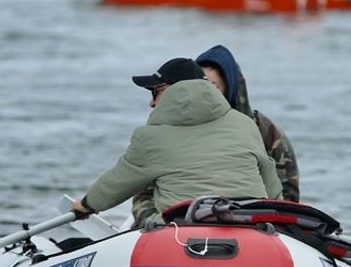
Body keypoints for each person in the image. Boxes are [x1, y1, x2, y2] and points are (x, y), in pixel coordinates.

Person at [70, 57, 283, 226]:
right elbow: (271, 185)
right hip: (250, 225)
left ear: (173, 91)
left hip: (182, 231)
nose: (152, 102)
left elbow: (117, 182)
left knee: (152, 217)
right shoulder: (245, 124)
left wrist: (86, 205)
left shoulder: (150, 137)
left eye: (155, 92)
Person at [130, 45, 300, 225]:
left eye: (212, 87)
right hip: (175, 227)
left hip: (249, 228)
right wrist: (154, 221)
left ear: (231, 89)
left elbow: (287, 195)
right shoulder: (164, 131)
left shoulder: (265, 132)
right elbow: (144, 193)